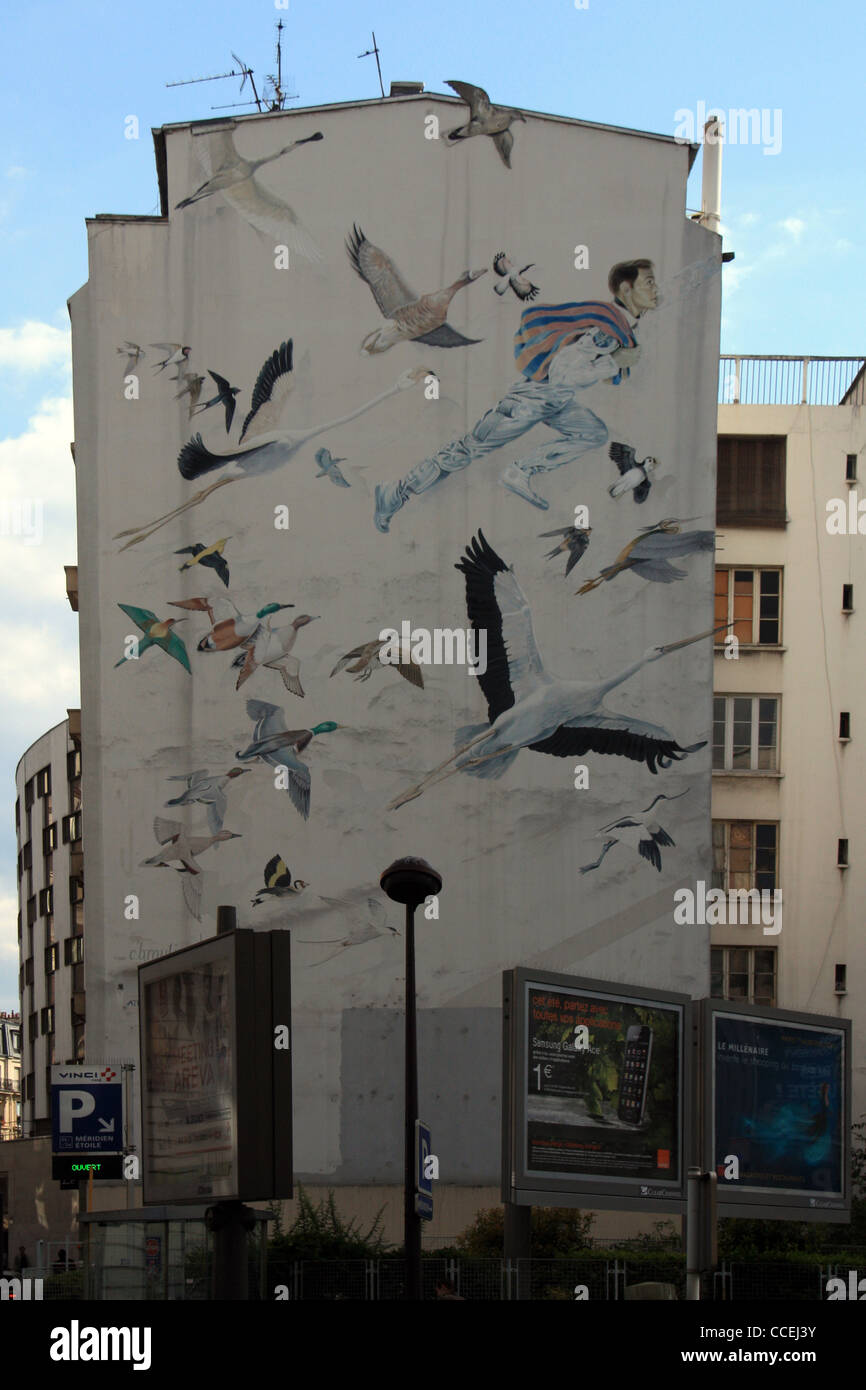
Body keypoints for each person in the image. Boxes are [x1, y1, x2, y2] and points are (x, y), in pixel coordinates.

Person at [374, 260, 660, 530]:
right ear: (626, 289)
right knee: (467, 450)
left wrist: (614, 362)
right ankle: (397, 492)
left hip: (553, 400)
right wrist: (614, 362)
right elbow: (565, 372)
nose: (655, 288)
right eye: (648, 282)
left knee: (594, 433)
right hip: (531, 400)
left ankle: (520, 470)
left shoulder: (617, 326)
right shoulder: (609, 327)